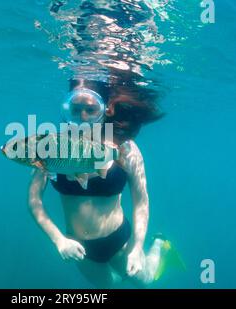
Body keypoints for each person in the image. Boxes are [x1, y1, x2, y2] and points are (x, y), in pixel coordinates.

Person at [27, 77, 168, 288]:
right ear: (66, 108)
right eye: (75, 109)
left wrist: (137, 247)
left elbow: (141, 203)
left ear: (105, 109)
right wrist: (58, 240)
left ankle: (160, 245)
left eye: (90, 109)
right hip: (78, 246)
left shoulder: (125, 148)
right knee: (107, 287)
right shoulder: (51, 148)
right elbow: (34, 201)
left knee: (145, 281)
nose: (82, 116)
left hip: (120, 240)